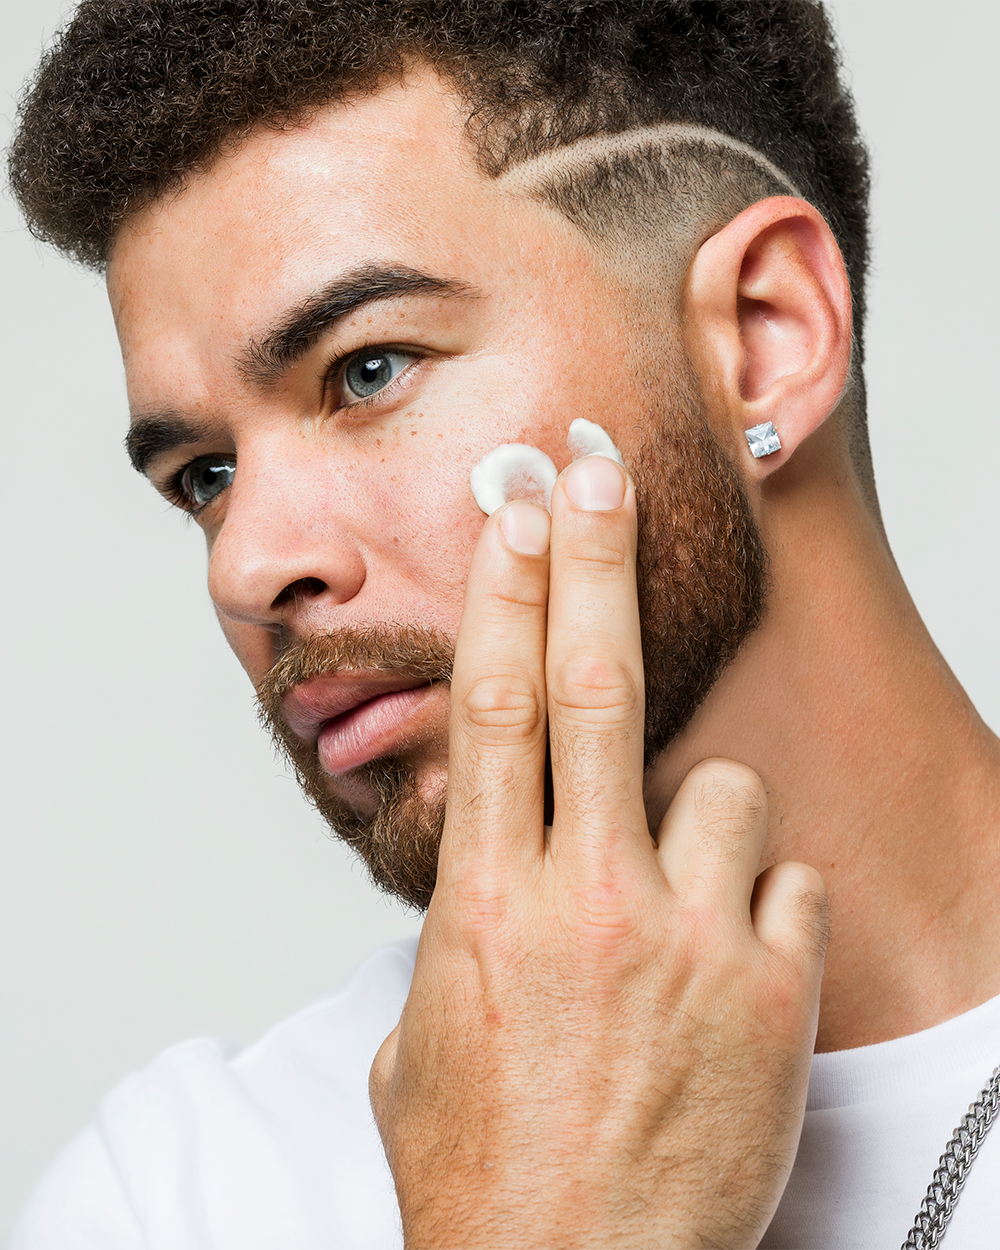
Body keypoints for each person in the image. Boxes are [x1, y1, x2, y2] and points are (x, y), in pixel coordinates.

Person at [7, 0, 1000, 1246]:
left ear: (763, 340)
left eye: (368, 369)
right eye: (204, 475)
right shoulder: (176, 1197)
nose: (248, 565)